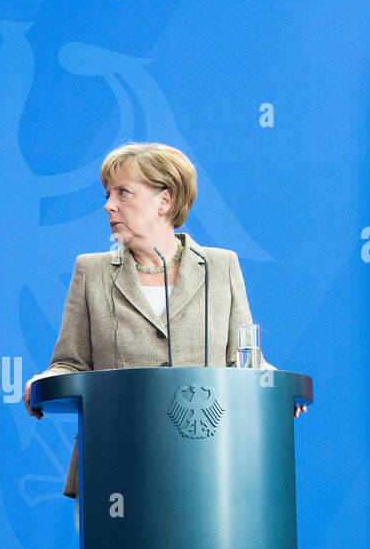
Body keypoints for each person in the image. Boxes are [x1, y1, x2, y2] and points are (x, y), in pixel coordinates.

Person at [23, 141, 290, 499]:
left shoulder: (221, 266)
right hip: (114, 467)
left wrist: (272, 381)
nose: (108, 205)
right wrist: (46, 379)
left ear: (164, 201)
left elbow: (242, 360)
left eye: (123, 192)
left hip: (208, 466)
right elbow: (69, 363)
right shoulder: (91, 271)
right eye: (107, 193)